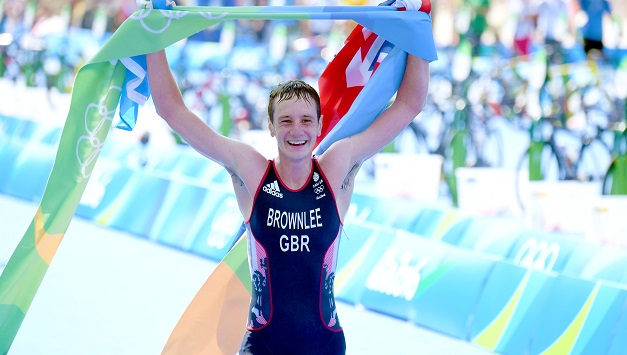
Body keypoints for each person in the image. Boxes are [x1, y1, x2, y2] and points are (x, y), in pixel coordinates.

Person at [146, 11, 429, 355]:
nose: (297, 131)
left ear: (320, 125)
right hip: (262, 345)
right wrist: (152, 32)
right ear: (271, 127)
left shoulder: (337, 166)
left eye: (307, 120)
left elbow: (409, 104)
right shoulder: (251, 171)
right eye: (286, 121)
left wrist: (418, 32)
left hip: (324, 344)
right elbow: (172, 110)